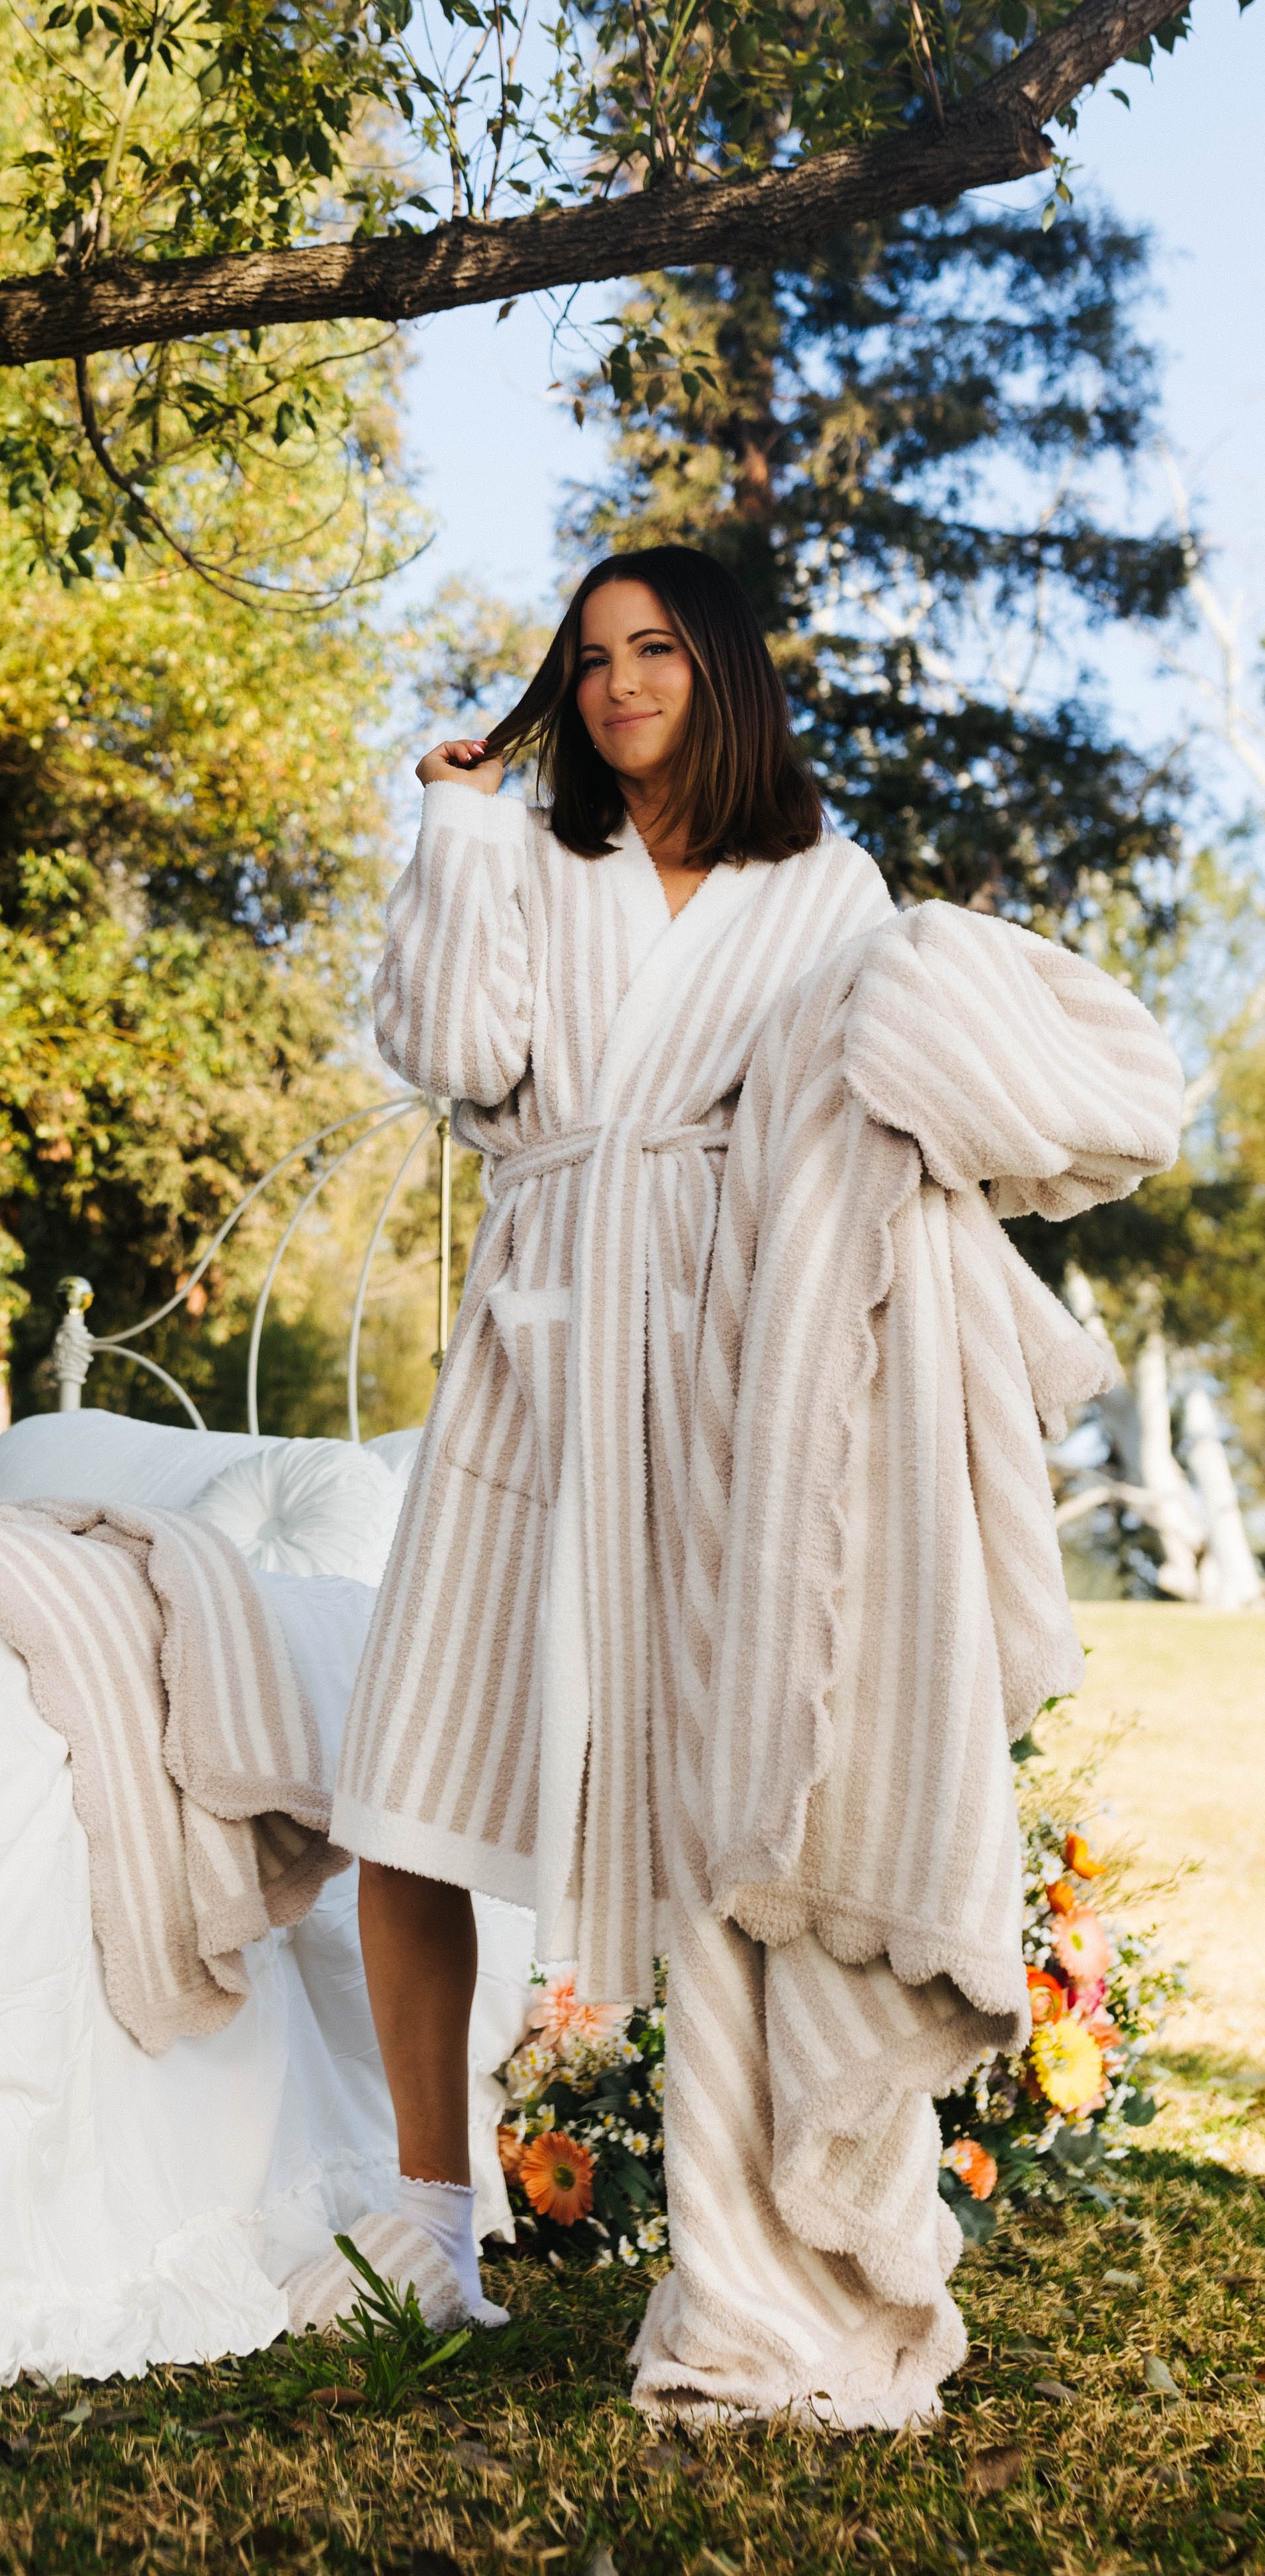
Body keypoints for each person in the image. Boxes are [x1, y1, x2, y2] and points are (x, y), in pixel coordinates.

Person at [283, 542, 1179, 2427]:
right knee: (413, 1785)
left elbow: (882, 1101)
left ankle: (745, 2242)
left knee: (725, 1813)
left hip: (724, 1367)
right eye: (592, 656)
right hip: (537, 1339)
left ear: (722, 674)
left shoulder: (826, 887)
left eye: (657, 650)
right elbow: (454, 1052)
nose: (618, 683)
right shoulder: (533, 859)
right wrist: (451, 830)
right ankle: (431, 2225)